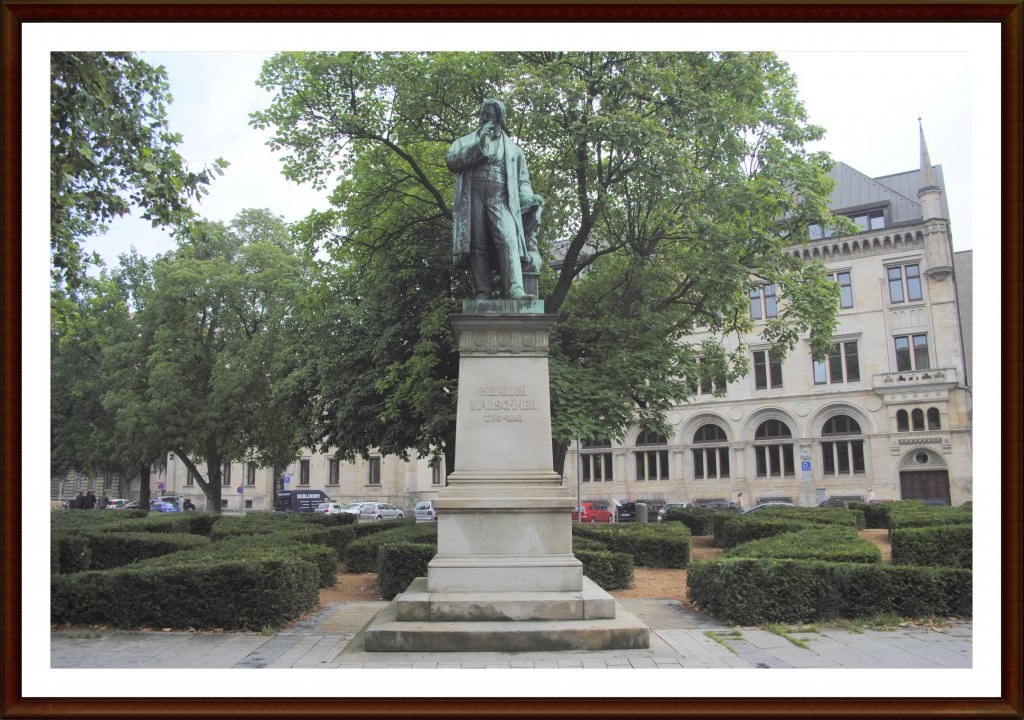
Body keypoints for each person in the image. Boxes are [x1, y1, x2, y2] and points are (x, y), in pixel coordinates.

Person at [447, 99, 543, 300]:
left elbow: (522, 181)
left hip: (500, 196)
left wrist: (529, 198)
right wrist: (479, 143)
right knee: (476, 243)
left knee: (508, 239)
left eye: (490, 116)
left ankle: (515, 289)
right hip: (472, 193)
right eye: (483, 115)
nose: (486, 119)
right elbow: (452, 161)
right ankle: (482, 292)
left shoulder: (515, 151)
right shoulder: (465, 141)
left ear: (499, 119)